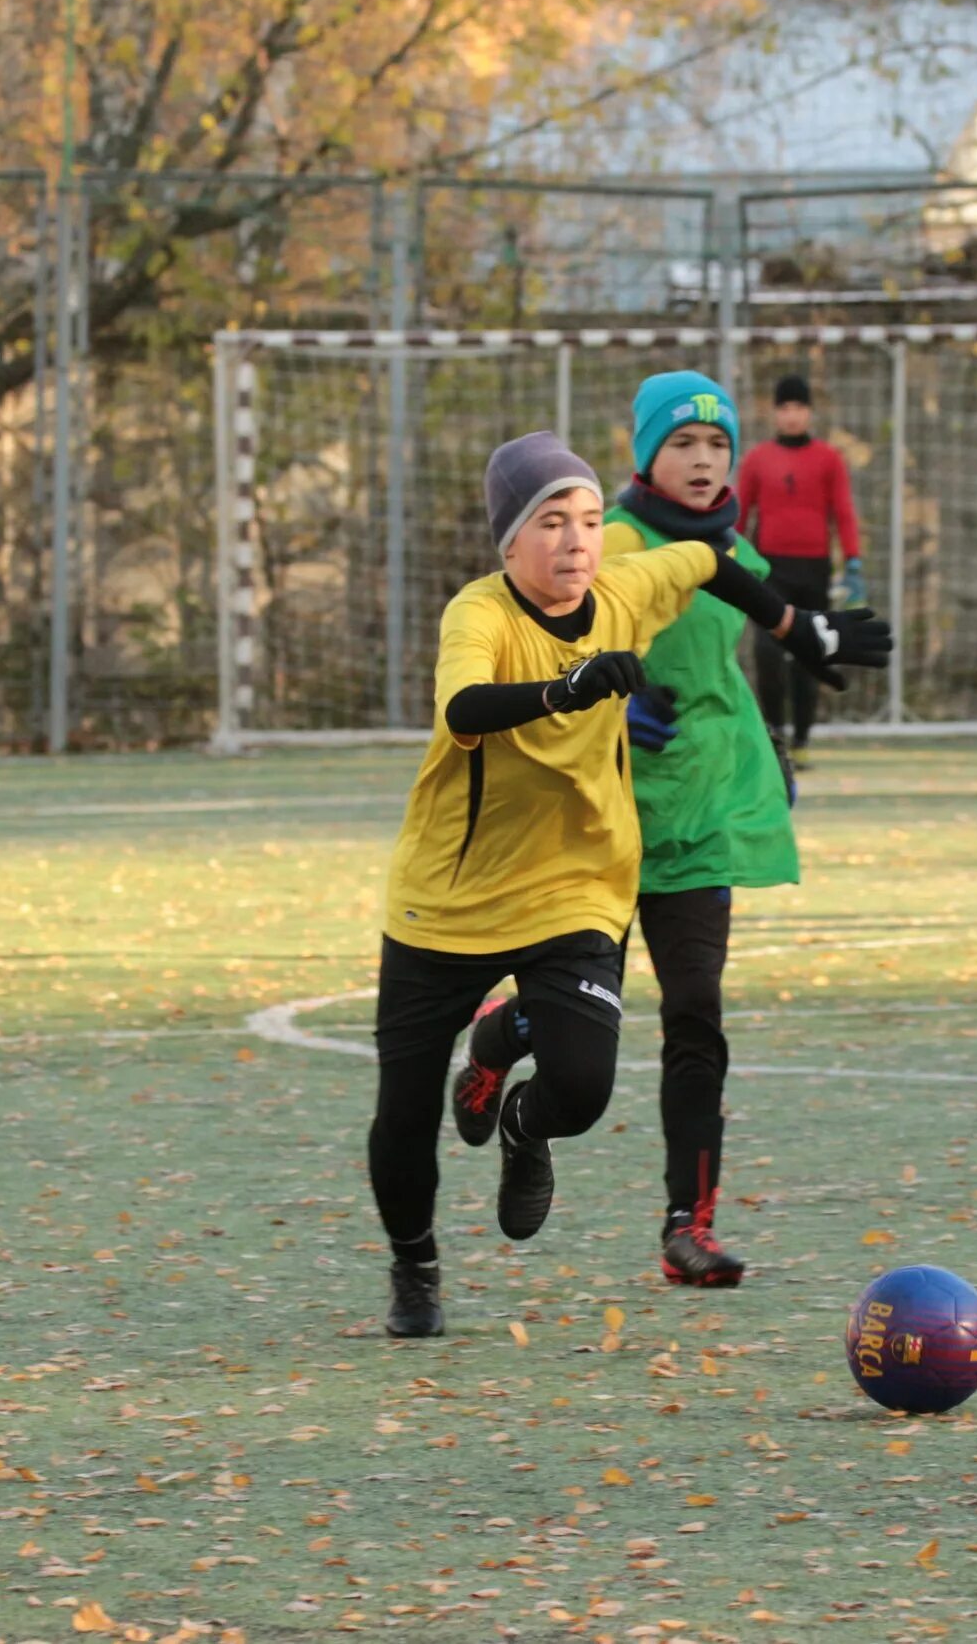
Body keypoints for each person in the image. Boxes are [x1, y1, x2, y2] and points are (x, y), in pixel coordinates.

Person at [370, 433, 889, 1338]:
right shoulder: (478, 614)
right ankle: (415, 1264)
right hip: (447, 900)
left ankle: (525, 1126)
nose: (575, 540)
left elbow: (713, 561)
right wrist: (567, 687)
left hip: (575, 887)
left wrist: (801, 631)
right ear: (507, 544)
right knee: (404, 1117)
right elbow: (463, 708)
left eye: (583, 520)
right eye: (550, 523)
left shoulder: (625, 588)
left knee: (583, 1086)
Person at [594, 372, 804, 1286]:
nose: (703, 459)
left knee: (696, 1016)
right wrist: (614, 693)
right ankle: (500, 1030)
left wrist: (768, 753)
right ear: (645, 453)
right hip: (595, 817)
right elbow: (554, 636)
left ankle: (691, 1226)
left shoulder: (738, 555)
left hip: (697, 823)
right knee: (575, 1036)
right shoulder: (609, 541)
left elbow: (722, 671)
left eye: (717, 445)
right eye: (682, 443)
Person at [737, 374, 862, 770]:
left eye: (798, 408)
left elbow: (842, 511)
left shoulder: (828, 459)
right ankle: (775, 733)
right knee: (767, 653)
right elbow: (741, 513)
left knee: (811, 656)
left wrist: (853, 561)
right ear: (775, 413)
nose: (791, 416)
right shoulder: (757, 460)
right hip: (770, 569)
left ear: (809, 412)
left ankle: (803, 738)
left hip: (814, 570)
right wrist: (728, 557)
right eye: (784, 408)